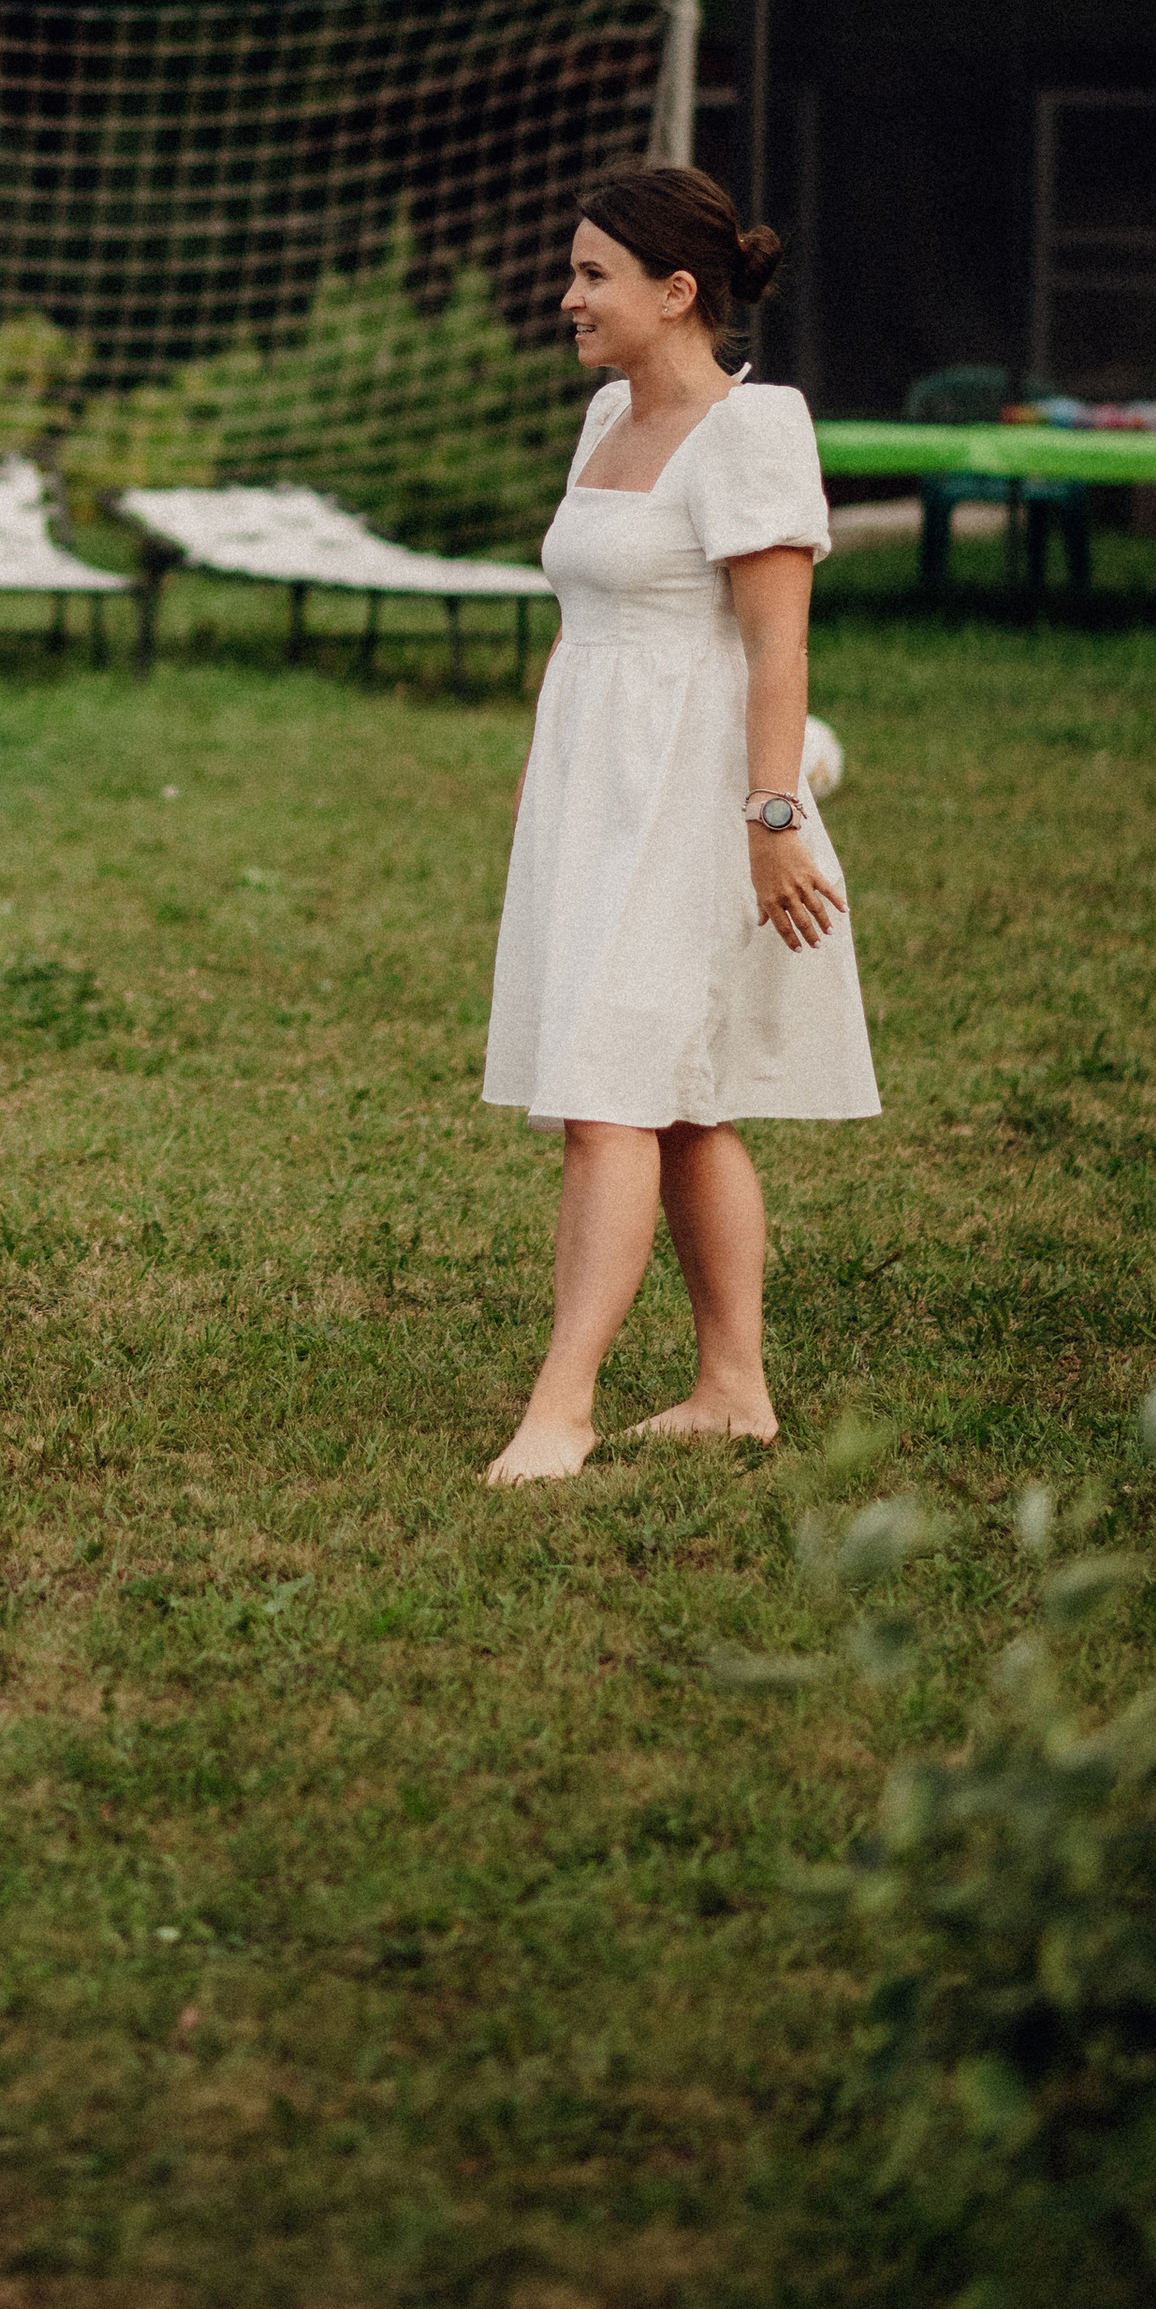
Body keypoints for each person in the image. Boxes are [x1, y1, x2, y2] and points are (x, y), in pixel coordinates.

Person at [480, 163, 878, 1485]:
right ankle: (732, 1389)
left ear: (676, 291)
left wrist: (773, 817)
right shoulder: (607, 414)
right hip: (592, 796)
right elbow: (584, 618)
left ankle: (562, 1407)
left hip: (694, 803)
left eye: (592, 274)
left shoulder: (751, 430)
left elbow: (777, 647)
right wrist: (542, 783)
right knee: (681, 1104)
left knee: (608, 1095)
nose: (568, 296)